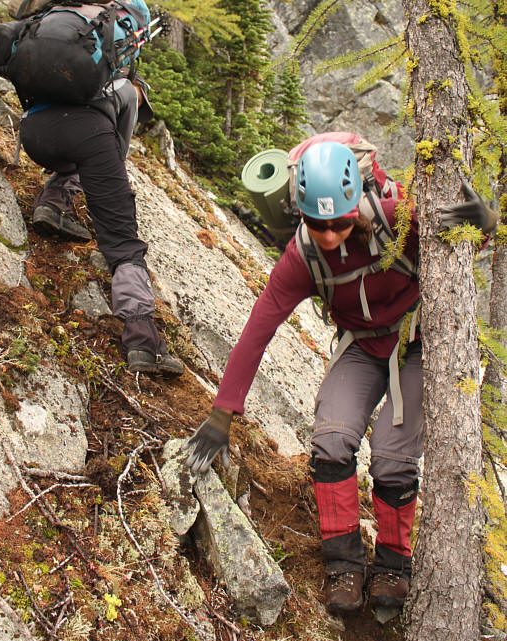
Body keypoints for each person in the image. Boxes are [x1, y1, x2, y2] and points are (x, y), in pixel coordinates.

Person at [185, 139, 496, 613]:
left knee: (393, 456)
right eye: (318, 224)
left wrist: (487, 223)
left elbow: (465, 235)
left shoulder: (400, 218)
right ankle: (344, 565)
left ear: (356, 208)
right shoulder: (303, 256)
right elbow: (259, 328)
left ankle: (394, 566)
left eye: (340, 224)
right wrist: (223, 411)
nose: (329, 236)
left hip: (417, 347)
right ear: (302, 215)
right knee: (331, 438)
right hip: (362, 347)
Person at [0, 0, 184, 378]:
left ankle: (52, 204)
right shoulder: (122, 85)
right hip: (88, 138)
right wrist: (109, 181)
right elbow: (116, 151)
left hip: (34, 135)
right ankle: (143, 341)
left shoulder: (39, 32)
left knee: (73, 160)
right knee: (124, 245)